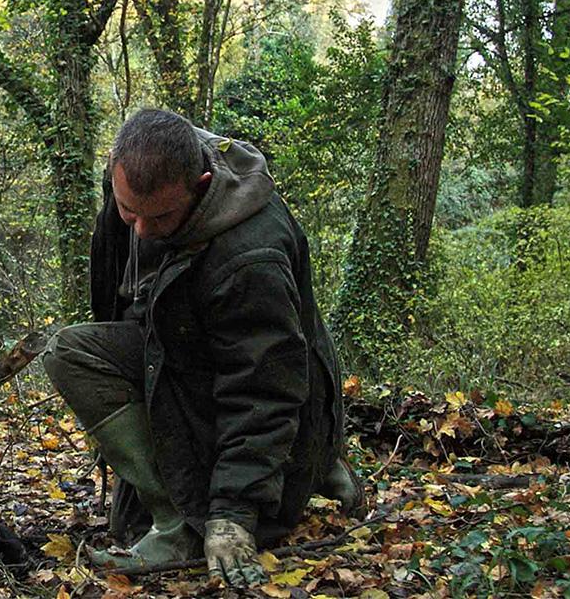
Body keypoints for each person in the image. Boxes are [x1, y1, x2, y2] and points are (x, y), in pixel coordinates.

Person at [43, 109, 363, 586]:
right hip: (183, 353)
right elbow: (123, 302)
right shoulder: (139, 182)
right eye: (129, 210)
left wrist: (230, 515)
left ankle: (185, 522)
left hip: (257, 382)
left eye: (161, 217)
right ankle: (308, 467)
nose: (142, 231)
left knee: (223, 498)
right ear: (114, 171)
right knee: (72, 354)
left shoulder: (250, 256)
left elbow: (265, 389)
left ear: (203, 182)